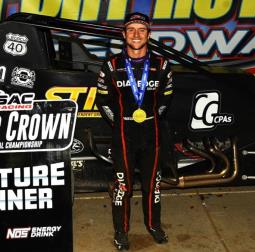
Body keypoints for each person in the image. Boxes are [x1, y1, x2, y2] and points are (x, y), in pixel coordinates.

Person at [96, 12, 174, 250]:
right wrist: (120, 123)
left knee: (154, 185)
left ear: (149, 35)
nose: (136, 34)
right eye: (131, 30)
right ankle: (121, 231)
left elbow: (166, 99)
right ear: (123, 34)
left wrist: (150, 119)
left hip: (153, 135)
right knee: (123, 188)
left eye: (142, 30)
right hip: (123, 136)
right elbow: (103, 102)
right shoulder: (111, 66)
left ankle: (154, 226)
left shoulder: (162, 65)